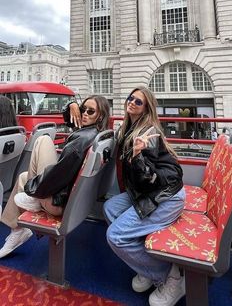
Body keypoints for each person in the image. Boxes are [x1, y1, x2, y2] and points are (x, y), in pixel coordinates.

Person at [103, 87, 185, 306]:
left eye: (138, 102)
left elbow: (149, 179)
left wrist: (138, 155)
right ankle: (146, 265)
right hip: (147, 191)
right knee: (110, 207)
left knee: (116, 236)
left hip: (166, 196)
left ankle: (171, 277)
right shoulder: (129, 127)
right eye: (131, 98)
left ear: (146, 108)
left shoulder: (147, 133)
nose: (132, 103)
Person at [0, 95, 110, 258]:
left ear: (100, 115)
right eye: (82, 109)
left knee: (43, 140)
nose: (84, 113)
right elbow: (70, 117)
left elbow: (59, 175)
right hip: (68, 196)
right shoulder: (93, 133)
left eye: (91, 111)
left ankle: (35, 200)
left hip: (56, 201)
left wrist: (34, 190)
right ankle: (17, 231)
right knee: (24, 177)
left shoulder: (81, 140)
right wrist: (72, 104)